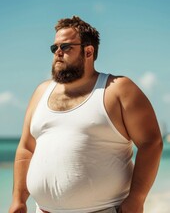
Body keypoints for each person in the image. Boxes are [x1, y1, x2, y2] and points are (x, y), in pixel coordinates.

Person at [9, 16, 163, 213]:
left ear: (88, 51)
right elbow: (26, 149)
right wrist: (18, 200)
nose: (57, 52)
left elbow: (151, 142)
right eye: (54, 47)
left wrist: (137, 198)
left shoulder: (117, 89)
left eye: (65, 47)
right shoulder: (41, 92)